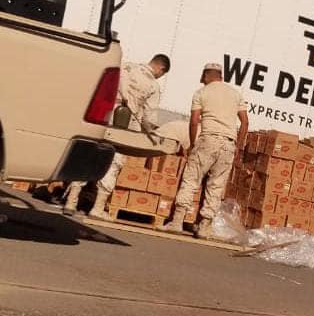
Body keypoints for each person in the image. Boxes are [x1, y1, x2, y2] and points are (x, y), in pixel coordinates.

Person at [63, 54, 171, 218]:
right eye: (162, 74)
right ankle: (97, 208)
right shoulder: (152, 86)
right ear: (161, 68)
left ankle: (71, 202)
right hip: (124, 128)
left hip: (103, 117)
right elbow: (149, 118)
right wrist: (153, 135)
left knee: (90, 156)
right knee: (114, 164)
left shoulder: (126, 67)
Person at [161, 63, 248, 238]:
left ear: (208, 75)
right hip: (228, 144)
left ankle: (177, 222)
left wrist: (193, 144)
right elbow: (245, 122)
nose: (201, 80)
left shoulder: (202, 93)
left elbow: (194, 121)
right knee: (216, 186)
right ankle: (204, 227)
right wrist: (237, 145)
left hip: (208, 139)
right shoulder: (235, 94)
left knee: (191, 179)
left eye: (203, 77)